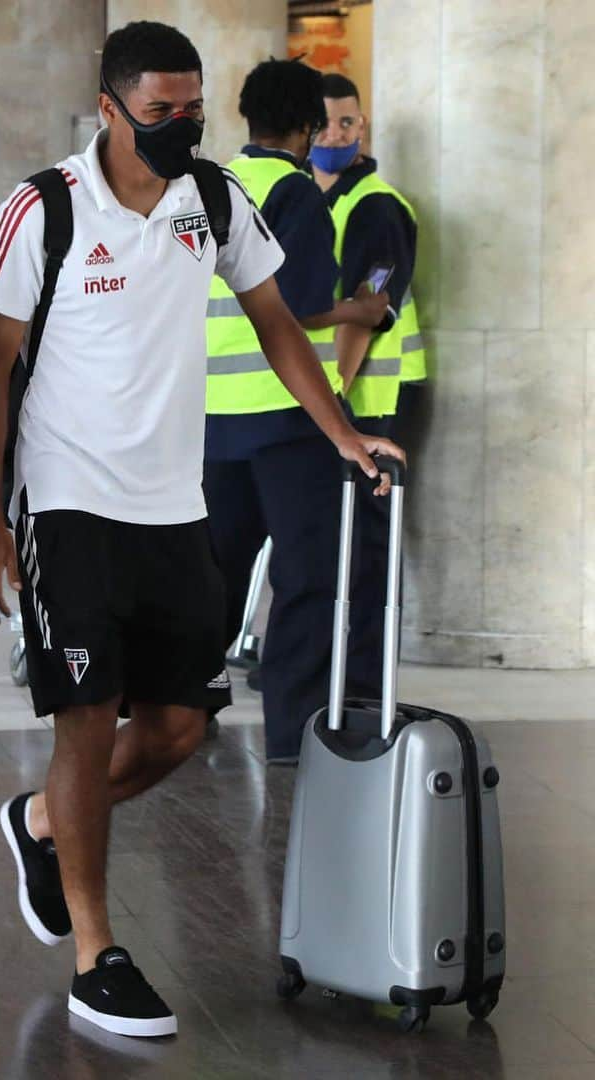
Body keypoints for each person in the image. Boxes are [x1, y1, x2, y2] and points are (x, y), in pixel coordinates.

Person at [0, 21, 404, 1039]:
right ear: (109, 106)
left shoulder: (213, 201)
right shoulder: (44, 209)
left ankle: (40, 826)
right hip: (69, 501)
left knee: (180, 728)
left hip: (175, 505)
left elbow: (275, 318)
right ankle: (94, 951)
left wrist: (339, 433)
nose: (180, 126)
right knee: (88, 712)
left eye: (192, 110)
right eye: (159, 112)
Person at [203, 58, 391, 760]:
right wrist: (363, 309)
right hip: (287, 419)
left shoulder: (212, 185)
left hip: (211, 419)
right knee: (307, 576)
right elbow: (302, 306)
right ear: (309, 127)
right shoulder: (295, 193)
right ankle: (294, 731)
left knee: (215, 570)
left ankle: (183, 709)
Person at [310, 72, 421, 700]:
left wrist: (334, 405)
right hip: (337, 403)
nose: (336, 135)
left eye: (348, 123)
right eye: (325, 123)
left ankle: (362, 685)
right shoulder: (316, 200)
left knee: (370, 548)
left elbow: (367, 309)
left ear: (364, 127)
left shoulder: (374, 206)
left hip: (368, 402)